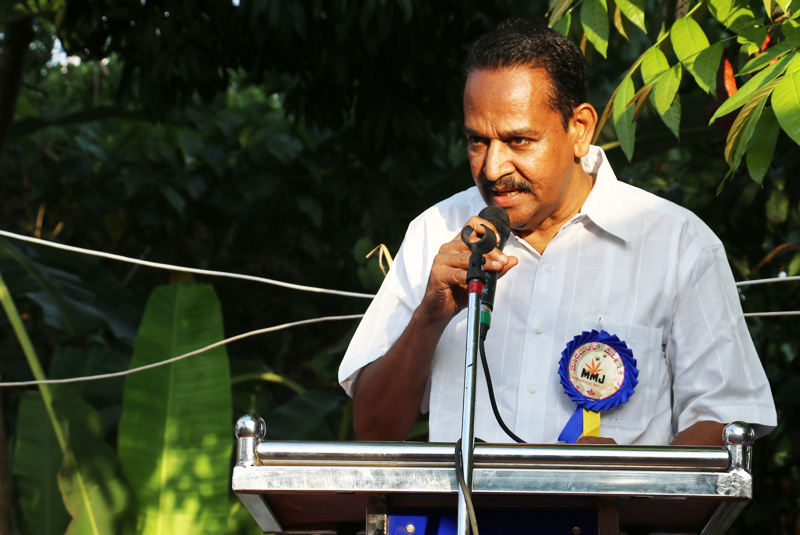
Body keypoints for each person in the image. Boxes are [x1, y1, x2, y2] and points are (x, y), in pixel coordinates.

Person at [338, 19, 776, 445]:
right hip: (463, 520)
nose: (492, 168)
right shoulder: (437, 232)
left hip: (611, 521)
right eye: (477, 141)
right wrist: (430, 317)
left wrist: (631, 485)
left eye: (519, 141)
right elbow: (375, 429)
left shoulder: (678, 244)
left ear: (579, 129)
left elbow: (726, 421)